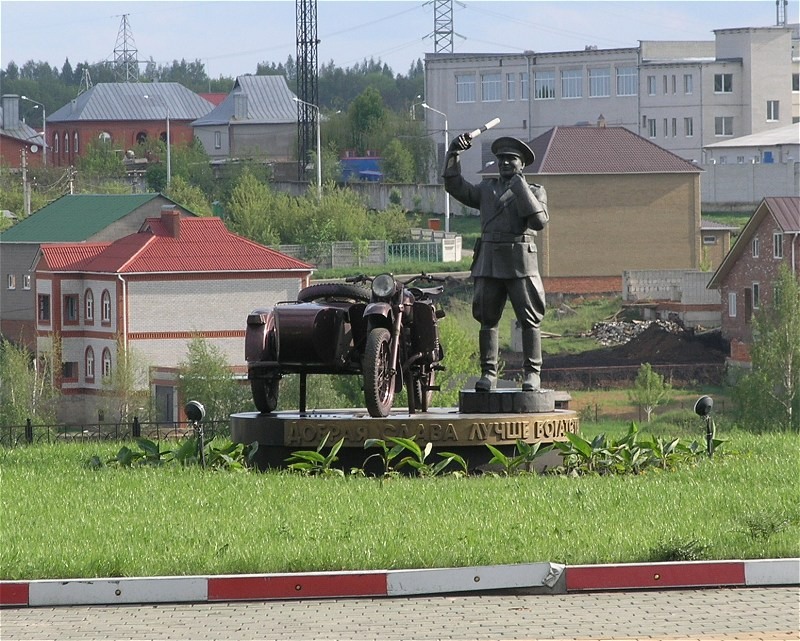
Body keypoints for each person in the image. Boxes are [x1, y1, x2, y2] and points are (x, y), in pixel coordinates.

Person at [443, 134, 548, 392]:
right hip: (489, 261)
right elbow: (456, 186)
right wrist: (453, 153)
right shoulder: (486, 190)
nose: (504, 163)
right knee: (487, 318)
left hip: (520, 261)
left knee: (529, 319)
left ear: (522, 164)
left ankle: (532, 373)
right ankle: (488, 373)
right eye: (501, 159)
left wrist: (519, 187)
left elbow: (539, 222)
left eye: (511, 159)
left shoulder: (534, 190)